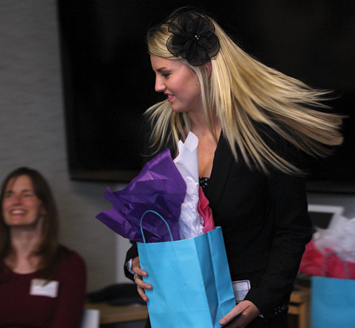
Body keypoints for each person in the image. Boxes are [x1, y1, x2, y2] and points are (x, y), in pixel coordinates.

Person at [124, 7, 343, 328]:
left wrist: (261, 302)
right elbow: (149, 219)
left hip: (248, 315)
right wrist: (135, 261)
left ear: (204, 68)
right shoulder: (157, 130)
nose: (158, 86)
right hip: (176, 312)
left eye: (166, 74)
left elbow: (292, 231)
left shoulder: (267, 134)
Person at [0, 167, 87, 328]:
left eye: (26, 194)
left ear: (43, 207)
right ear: (2, 208)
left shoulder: (70, 265)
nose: (16, 201)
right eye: (9, 195)